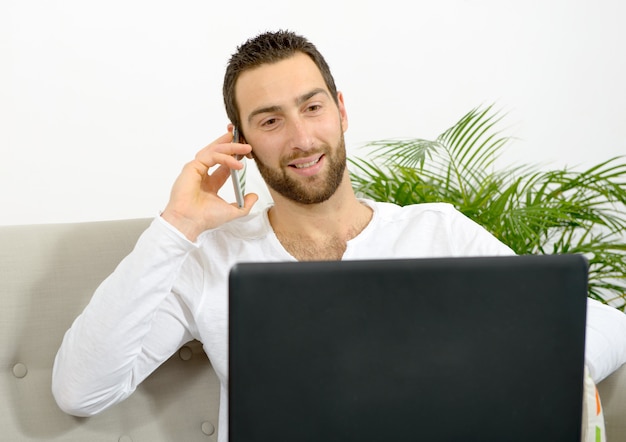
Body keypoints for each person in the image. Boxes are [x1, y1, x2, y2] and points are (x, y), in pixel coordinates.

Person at [52, 30, 626, 441]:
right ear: (241, 140)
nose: (302, 138)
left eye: (313, 107)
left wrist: (547, 370)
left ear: (341, 110)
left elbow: (604, 322)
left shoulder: (439, 229)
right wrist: (177, 226)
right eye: (271, 120)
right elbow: (80, 391)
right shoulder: (209, 258)